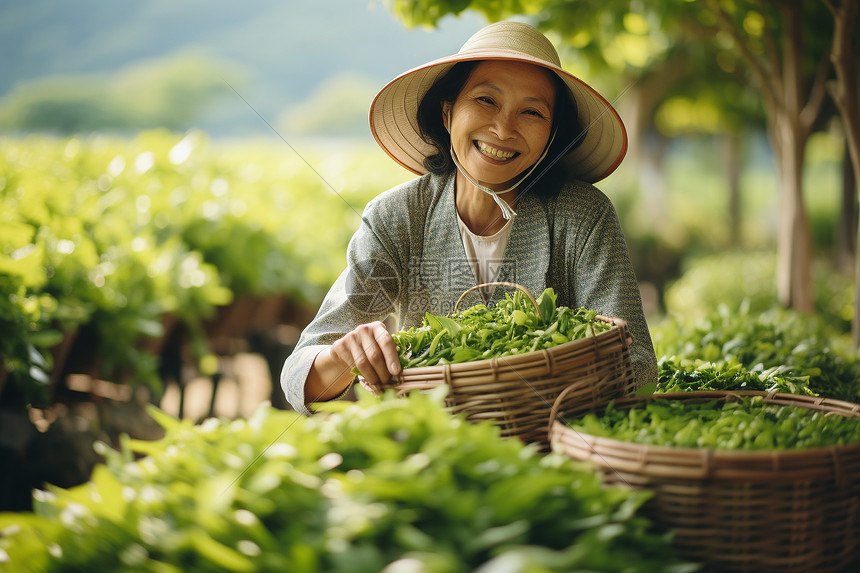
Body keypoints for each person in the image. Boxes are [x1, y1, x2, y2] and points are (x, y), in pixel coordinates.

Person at [281, 20, 656, 415]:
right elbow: (298, 374)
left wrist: (570, 359)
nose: (502, 128)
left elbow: (640, 364)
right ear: (447, 114)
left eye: (531, 112)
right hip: (434, 445)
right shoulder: (398, 217)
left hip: (558, 441)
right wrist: (345, 356)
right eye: (485, 101)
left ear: (552, 134)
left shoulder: (583, 216)